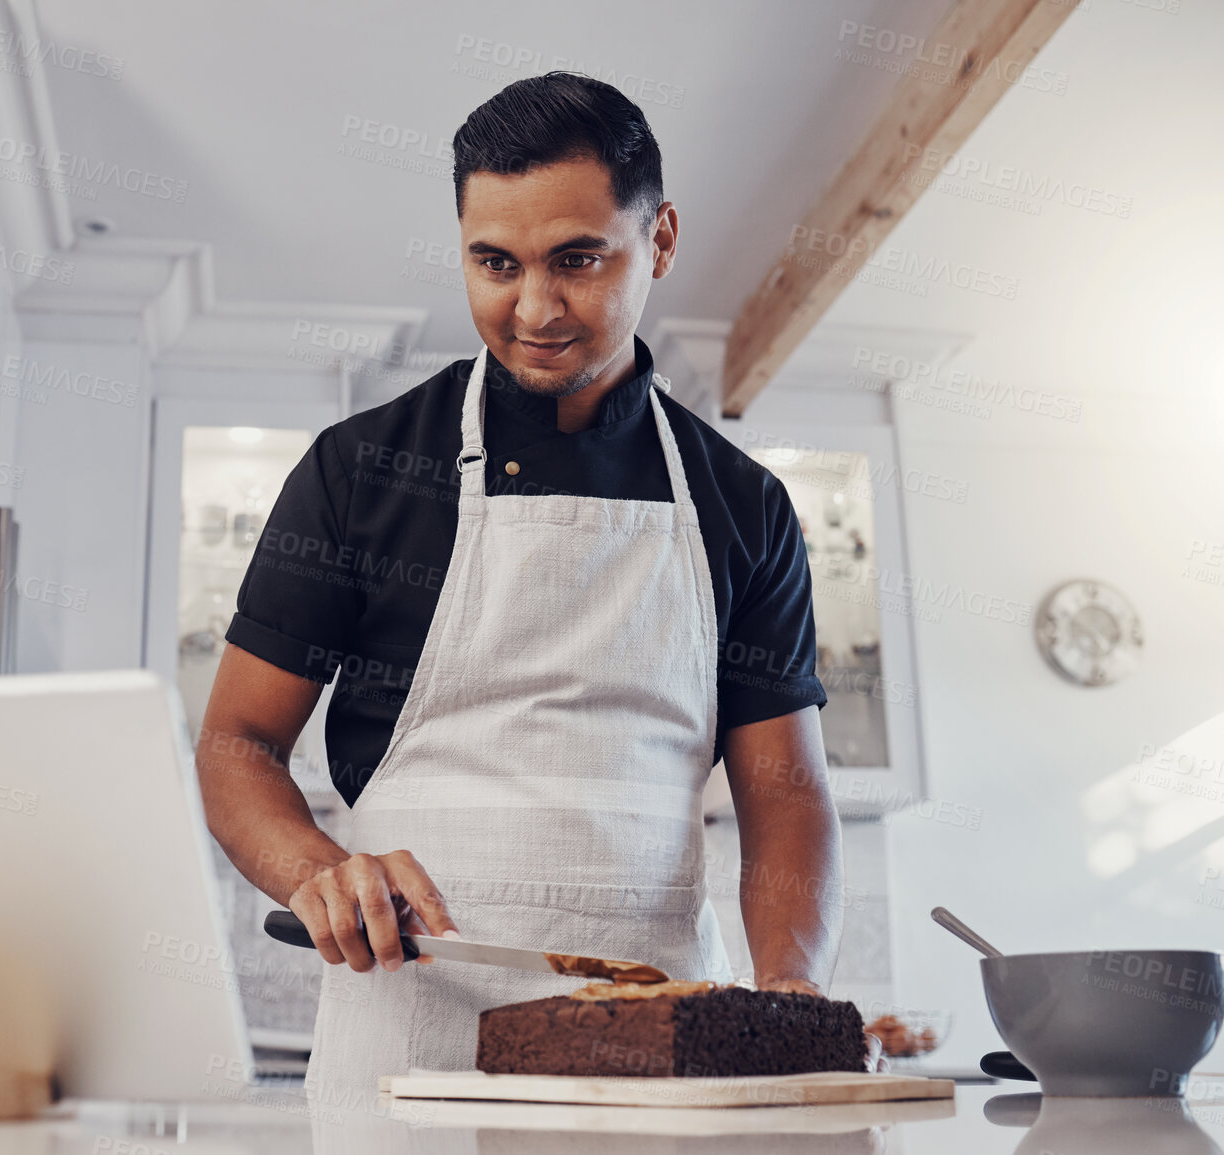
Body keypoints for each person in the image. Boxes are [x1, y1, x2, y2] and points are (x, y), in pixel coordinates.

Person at [195, 72, 842, 1091]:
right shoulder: (361, 472)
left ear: (660, 239)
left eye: (578, 260)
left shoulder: (742, 503)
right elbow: (235, 745)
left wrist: (789, 988)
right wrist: (321, 875)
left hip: (657, 1025)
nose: (534, 308)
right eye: (495, 263)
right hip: (411, 1031)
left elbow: (785, 793)